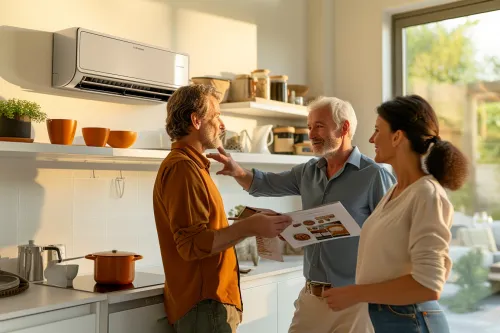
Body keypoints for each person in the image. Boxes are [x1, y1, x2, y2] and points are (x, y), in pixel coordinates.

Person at [208, 96, 396, 333]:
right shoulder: (309, 171)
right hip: (312, 297)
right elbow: (265, 183)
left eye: (319, 126)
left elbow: (394, 236)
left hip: (354, 302)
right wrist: (237, 171)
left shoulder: (374, 175)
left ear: (344, 127)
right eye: (309, 127)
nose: (311, 134)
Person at [322, 95, 469, 333]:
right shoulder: (396, 191)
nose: (371, 138)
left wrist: (355, 293)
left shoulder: (427, 195)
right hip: (388, 317)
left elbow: (428, 285)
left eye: (377, 130)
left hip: (410, 321)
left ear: (397, 136)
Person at [152, 84, 292, 333]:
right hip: (205, 305)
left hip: (208, 304)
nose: (222, 125)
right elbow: (192, 245)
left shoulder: (192, 167)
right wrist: (248, 226)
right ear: (196, 120)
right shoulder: (183, 169)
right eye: (216, 116)